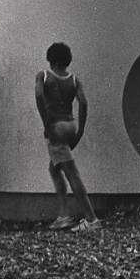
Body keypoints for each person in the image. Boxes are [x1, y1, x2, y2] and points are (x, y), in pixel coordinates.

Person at [35, 42, 100, 232]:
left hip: (56, 127)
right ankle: (63, 215)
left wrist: (48, 126)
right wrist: (80, 131)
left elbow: (39, 96)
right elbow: (84, 103)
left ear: (50, 58)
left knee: (72, 173)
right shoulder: (74, 80)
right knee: (55, 169)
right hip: (70, 125)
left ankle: (91, 219)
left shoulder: (44, 76)